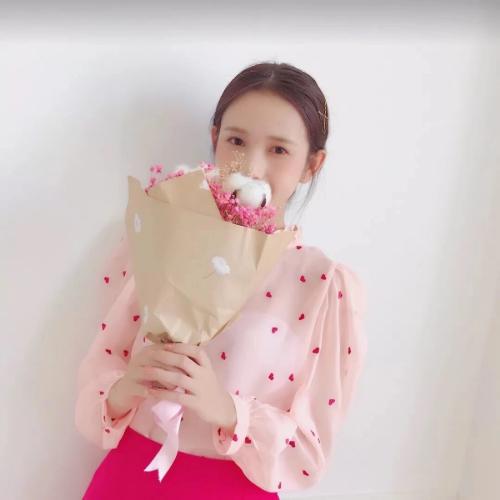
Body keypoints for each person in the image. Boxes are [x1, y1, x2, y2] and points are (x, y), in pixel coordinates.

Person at [75, 61, 368, 499]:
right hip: (129, 477)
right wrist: (126, 386)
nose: (252, 166)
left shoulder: (323, 285)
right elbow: (101, 369)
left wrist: (226, 409)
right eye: (236, 141)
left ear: (312, 164)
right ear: (214, 139)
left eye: (279, 150)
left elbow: (309, 454)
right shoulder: (159, 239)